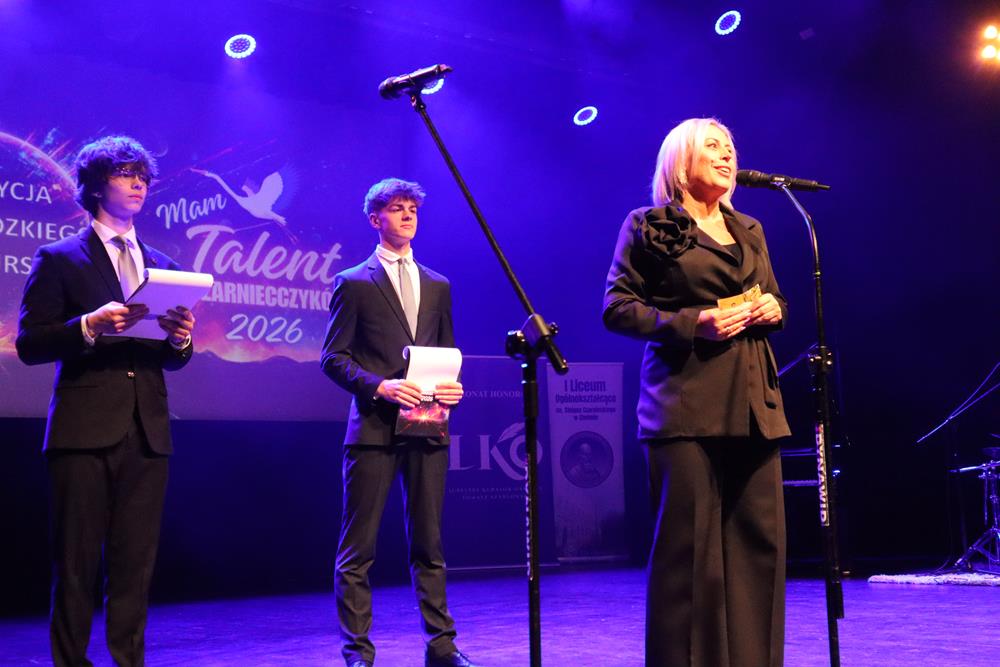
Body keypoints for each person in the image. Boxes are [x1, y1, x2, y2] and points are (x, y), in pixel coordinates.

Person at [603, 118, 790, 667]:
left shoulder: (750, 228)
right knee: (688, 553)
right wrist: (693, 323)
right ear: (681, 163)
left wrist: (774, 308)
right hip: (684, 402)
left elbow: (775, 296)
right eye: (713, 146)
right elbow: (617, 308)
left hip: (754, 402)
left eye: (730, 147)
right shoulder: (647, 224)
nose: (728, 155)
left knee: (758, 545)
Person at [16, 135, 197, 667]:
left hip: (147, 431)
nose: (138, 183)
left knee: (135, 564)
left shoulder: (163, 263)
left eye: (143, 176)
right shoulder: (59, 258)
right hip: (83, 430)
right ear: (96, 186)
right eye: (125, 174)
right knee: (75, 563)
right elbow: (29, 344)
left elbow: (171, 359)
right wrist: (88, 326)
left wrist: (180, 339)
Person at [320, 178, 479, 667]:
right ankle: (358, 654)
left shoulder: (438, 284)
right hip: (372, 429)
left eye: (412, 208)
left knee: (430, 543)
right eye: (396, 208)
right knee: (358, 549)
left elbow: (446, 353)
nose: (408, 215)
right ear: (376, 219)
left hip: (427, 426)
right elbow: (333, 358)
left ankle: (442, 646)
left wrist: (453, 386)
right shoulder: (353, 282)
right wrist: (380, 386)